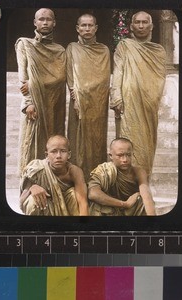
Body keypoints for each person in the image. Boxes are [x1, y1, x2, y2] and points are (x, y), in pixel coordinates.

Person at [110, 11, 166, 176]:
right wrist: (117, 97)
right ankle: (126, 184)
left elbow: (160, 78)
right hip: (128, 104)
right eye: (137, 22)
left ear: (151, 26)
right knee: (127, 142)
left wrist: (151, 99)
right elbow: (118, 71)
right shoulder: (124, 46)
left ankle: (144, 181)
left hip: (148, 106)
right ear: (131, 26)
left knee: (146, 144)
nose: (141, 26)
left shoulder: (159, 51)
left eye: (144, 22)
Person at [15, 8, 66, 174]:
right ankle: (29, 182)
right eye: (41, 19)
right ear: (35, 22)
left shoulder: (60, 50)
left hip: (54, 104)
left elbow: (60, 77)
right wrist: (28, 101)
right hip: (34, 103)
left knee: (51, 141)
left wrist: (35, 82)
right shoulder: (25, 45)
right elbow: (23, 76)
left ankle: (50, 180)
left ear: (54, 23)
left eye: (49, 19)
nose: (45, 23)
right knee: (31, 142)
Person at [66, 14, 111, 181]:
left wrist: (92, 94)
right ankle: (76, 180)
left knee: (97, 141)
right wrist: (76, 96)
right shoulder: (72, 48)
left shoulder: (104, 50)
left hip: (98, 103)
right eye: (83, 25)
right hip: (77, 101)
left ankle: (95, 180)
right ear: (77, 28)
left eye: (90, 25)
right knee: (77, 140)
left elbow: (104, 78)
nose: (86, 29)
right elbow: (70, 76)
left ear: (96, 28)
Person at [19, 135, 89, 216]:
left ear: (69, 155)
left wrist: (84, 225)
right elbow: (22, 200)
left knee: (74, 194)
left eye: (63, 151)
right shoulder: (37, 169)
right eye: (54, 151)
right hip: (46, 207)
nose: (58, 156)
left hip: (67, 209)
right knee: (33, 200)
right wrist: (32, 187)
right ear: (46, 155)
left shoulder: (74, 172)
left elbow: (83, 202)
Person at [88, 138, 156, 216]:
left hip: (130, 212)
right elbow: (93, 194)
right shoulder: (104, 170)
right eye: (120, 155)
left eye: (128, 155)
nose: (125, 159)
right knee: (97, 205)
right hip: (110, 210)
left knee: (141, 200)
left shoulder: (138, 172)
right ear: (111, 156)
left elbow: (146, 195)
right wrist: (124, 204)